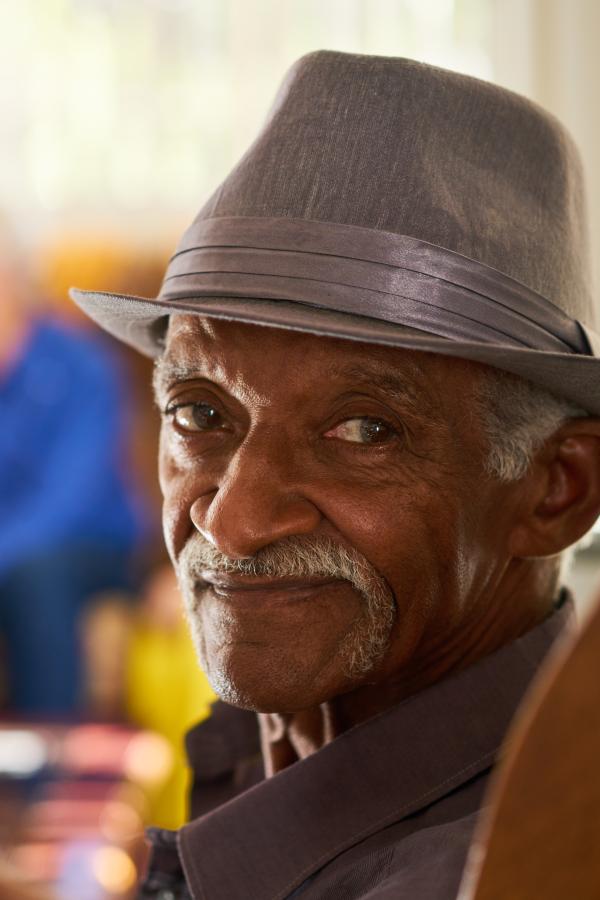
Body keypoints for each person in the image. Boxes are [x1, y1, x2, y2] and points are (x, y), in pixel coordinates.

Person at [70, 51, 600, 899]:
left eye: (364, 431)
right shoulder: (280, 739)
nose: (231, 521)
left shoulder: (489, 873)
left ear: (556, 490)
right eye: (200, 415)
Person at [0, 226, 148, 714]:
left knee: (36, 574)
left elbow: (67, 503)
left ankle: (51, 743)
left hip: (92, 547)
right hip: (13, 545)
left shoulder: (82, 365)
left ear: (15, 282)